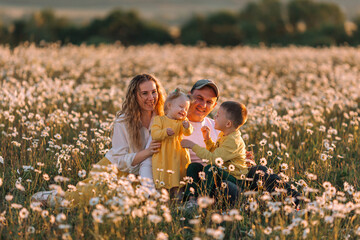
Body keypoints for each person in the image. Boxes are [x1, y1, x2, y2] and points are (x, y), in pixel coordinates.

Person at [31, 73, 166, 208]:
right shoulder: (124, 121)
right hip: (115, 168)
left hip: (144, 174)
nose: (151, 98)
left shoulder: (163, 117)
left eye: (154, 92)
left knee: (129, 200)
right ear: (135, 97)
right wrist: (147, 152)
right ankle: (52, 197)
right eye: (144, 93)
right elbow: (120, 160)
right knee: (93, 195)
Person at [181, 101, 248, 197]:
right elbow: (216, 153)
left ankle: (202, 199)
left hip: (235, 179)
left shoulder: (233, 141)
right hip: (222, 172)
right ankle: (190, 198)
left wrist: (193, 146)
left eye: (218, 115)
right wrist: (207, 139)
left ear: (228, 124)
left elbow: (214, 160)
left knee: (211, 169)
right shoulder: (224, 134)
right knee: (194, 167)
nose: (214, 117)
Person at [149, 88, 193, 197]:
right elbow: (155, 134)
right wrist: (165, 132)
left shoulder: (182, 122)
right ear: (169, 106)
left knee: (178, 177)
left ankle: (178, 200)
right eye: (181, 107)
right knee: (162, 177)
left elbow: (187, 133)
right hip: (163, 155)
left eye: (186, 109)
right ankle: (162, 198)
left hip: (178, 155)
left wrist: (187, 127)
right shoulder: (159, 120)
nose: (184, 111)